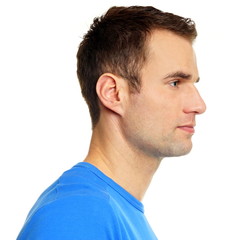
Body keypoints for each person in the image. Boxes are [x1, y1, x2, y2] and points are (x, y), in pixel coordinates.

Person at [17, 5, 206, 240]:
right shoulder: (76, 214)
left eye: (194, 84)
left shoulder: (114, 212)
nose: (199, 105)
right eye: (175, 83)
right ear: (113, 93)